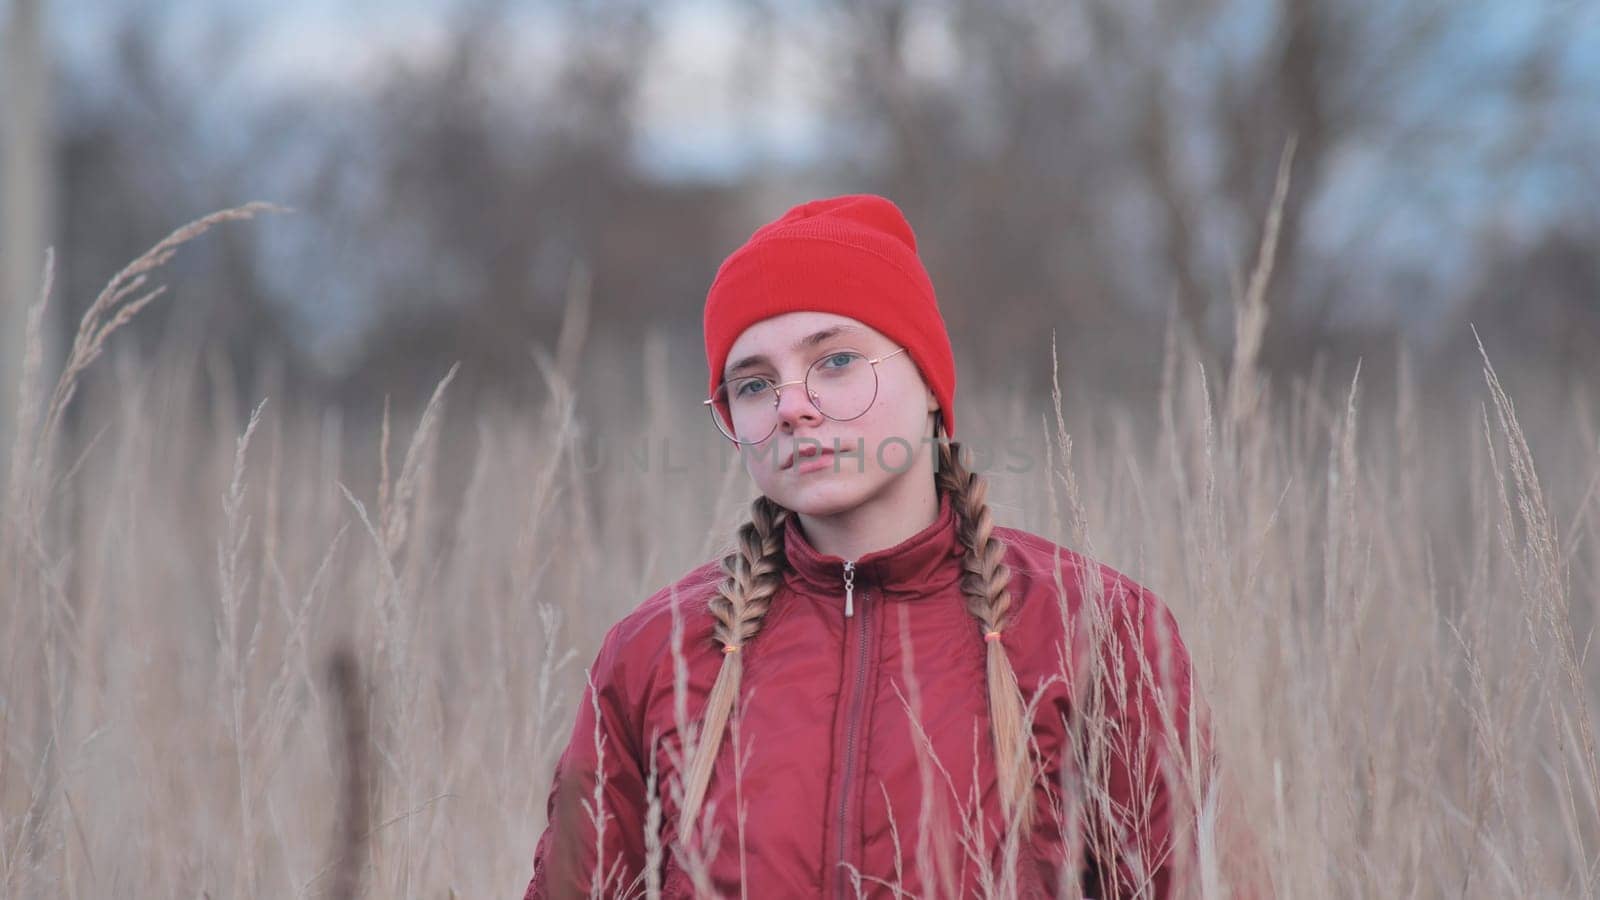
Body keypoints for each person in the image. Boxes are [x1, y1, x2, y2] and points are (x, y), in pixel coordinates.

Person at [523, 194, 1219, 899]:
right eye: (755, 383)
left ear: (928, 382)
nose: (791, 404)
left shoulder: (1095, 630)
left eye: (836, 360)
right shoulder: (652, 657)